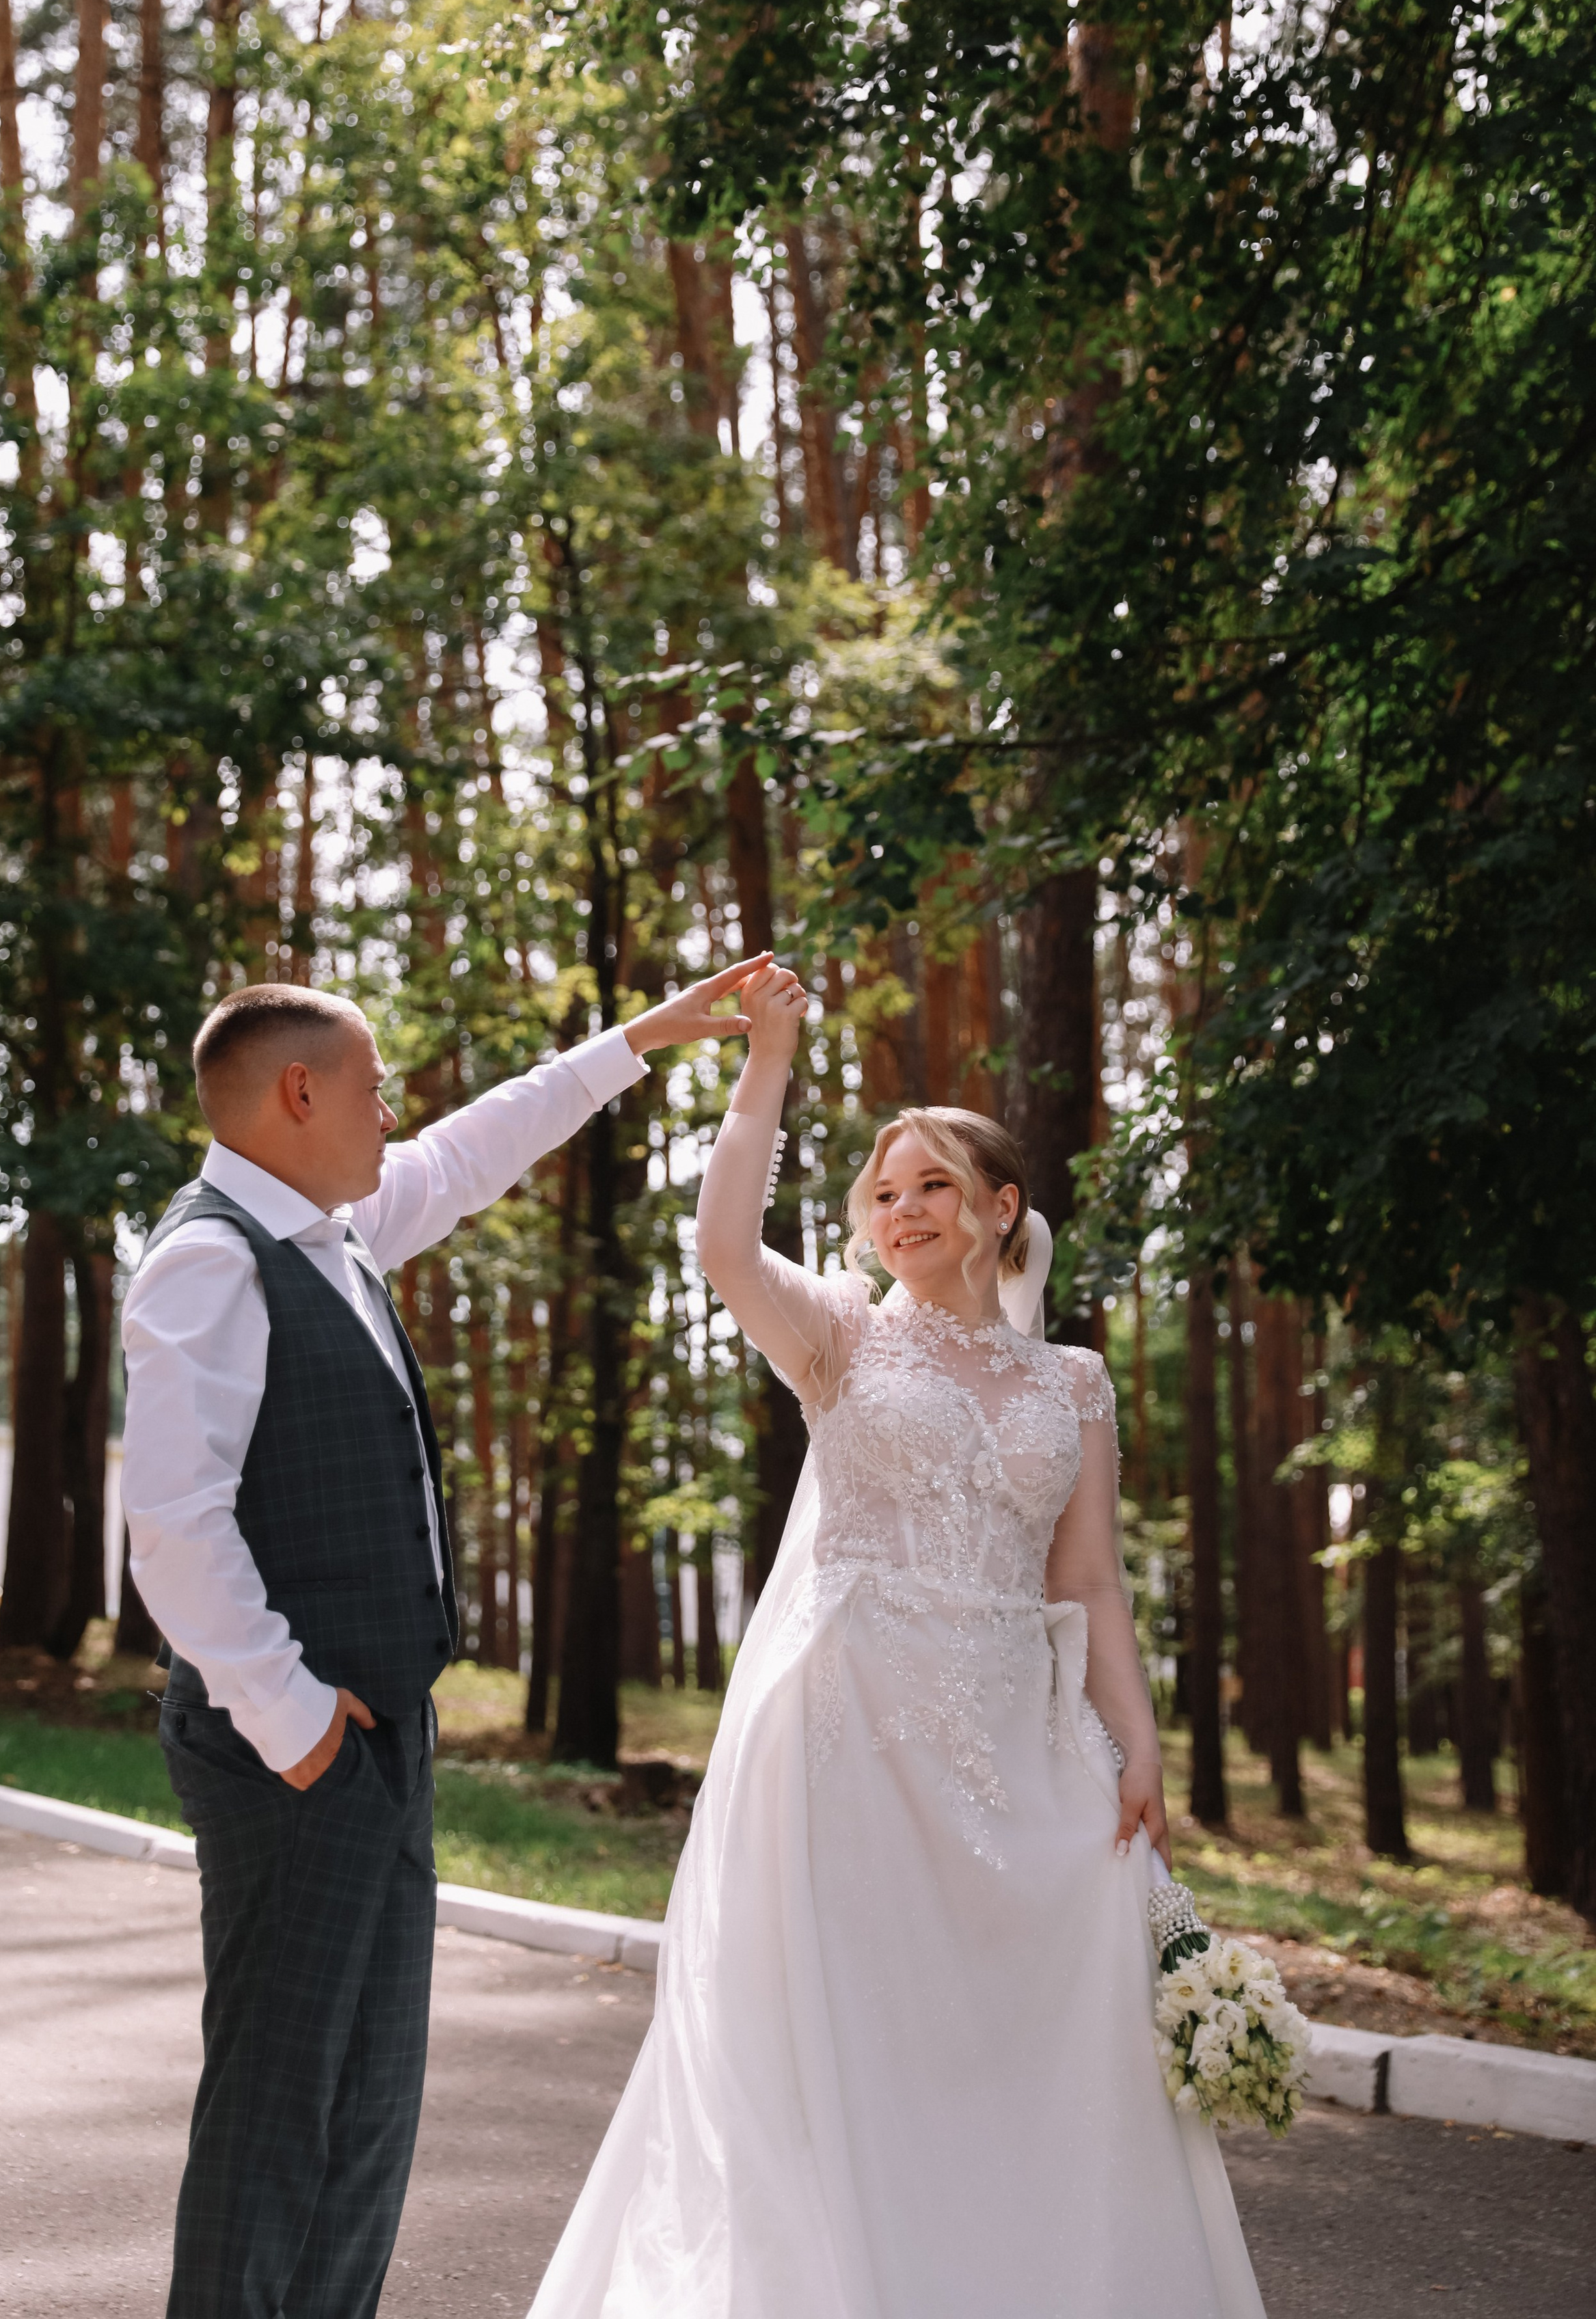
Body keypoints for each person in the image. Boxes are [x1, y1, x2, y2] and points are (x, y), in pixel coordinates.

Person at [528, 961, 1267, 2319]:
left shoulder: (1073, 1383)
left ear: (1001, 1208)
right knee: (858, 2029)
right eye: (882, 1192)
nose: (901, 1209)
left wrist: (1137, 1747)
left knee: (1031, 2022)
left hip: (1021, 1730)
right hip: (850, 1729)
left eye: (932, 1184)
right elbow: (724, 1248)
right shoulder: (839, 1339)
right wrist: (768, 1060)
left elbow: (1090, 1581)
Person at [120, 959, 770, 2319]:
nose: (390, 1112)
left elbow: (475, 1148)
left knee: (368, 2111)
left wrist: (639, 1040)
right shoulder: (209, 1259)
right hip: (295, 1752)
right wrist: (295, 1722)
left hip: (379, 1737)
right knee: (278, 2104)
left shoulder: (338, 1231)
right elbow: (175, 1529)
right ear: (299, 1095)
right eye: (372, 1087)